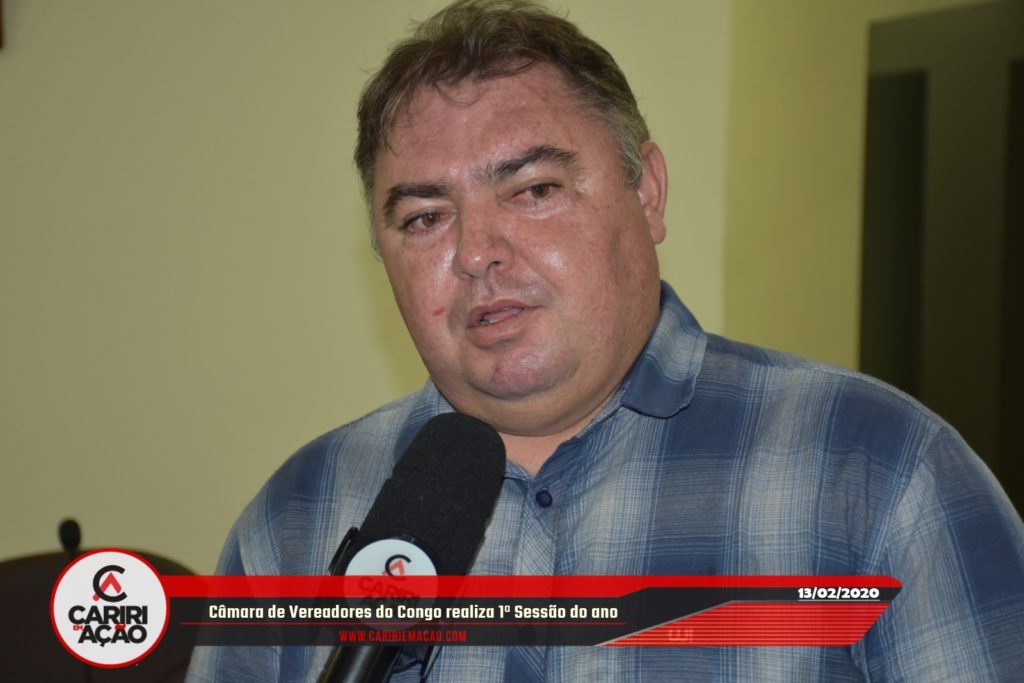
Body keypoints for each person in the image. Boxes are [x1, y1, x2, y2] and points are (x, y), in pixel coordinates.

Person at [187, 1, 1024, 680]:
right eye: (425, 217)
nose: (476, 252)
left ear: (647, 192)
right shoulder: (296, 519)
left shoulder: (880, 475)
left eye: (534, 189)